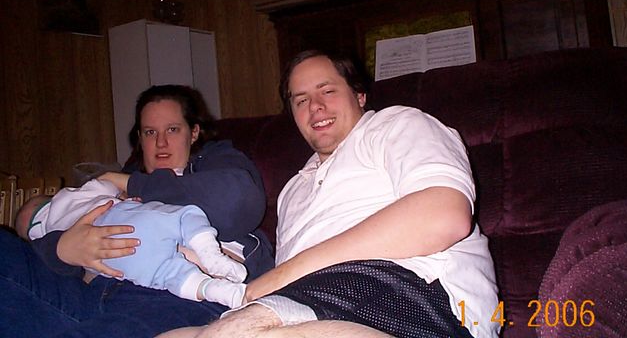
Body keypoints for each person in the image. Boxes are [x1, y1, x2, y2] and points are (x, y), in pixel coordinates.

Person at [160, 50, 499, 338]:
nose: (316, 107)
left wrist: (277, 280)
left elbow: (444, 216)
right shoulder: (293, 189)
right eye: (301, 100)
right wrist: (199, 256)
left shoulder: (397, 125)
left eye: (328, 91)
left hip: (420, 295)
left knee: (235, 332)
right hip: (318, 300)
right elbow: (282, 277)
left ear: (359, 96)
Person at [0, 84, 273, 338]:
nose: (161, 142)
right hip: (87, 291)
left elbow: (236, 202)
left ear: (193, 133)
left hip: (173, 293)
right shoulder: (109, 189)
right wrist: (61, 249)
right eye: (150, 132)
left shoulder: (214, 164)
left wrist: (130, 183)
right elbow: (45, 234)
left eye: (172, 130)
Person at [14, 177, 247, 307]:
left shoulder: (51, 234)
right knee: (186, 216)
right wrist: (119, 195)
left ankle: (211, 289)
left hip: (118, 261)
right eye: (149, 132)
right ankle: (209, 254)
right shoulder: (72, 194)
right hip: (124, 218)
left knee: (168, 276)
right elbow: (105, 184)